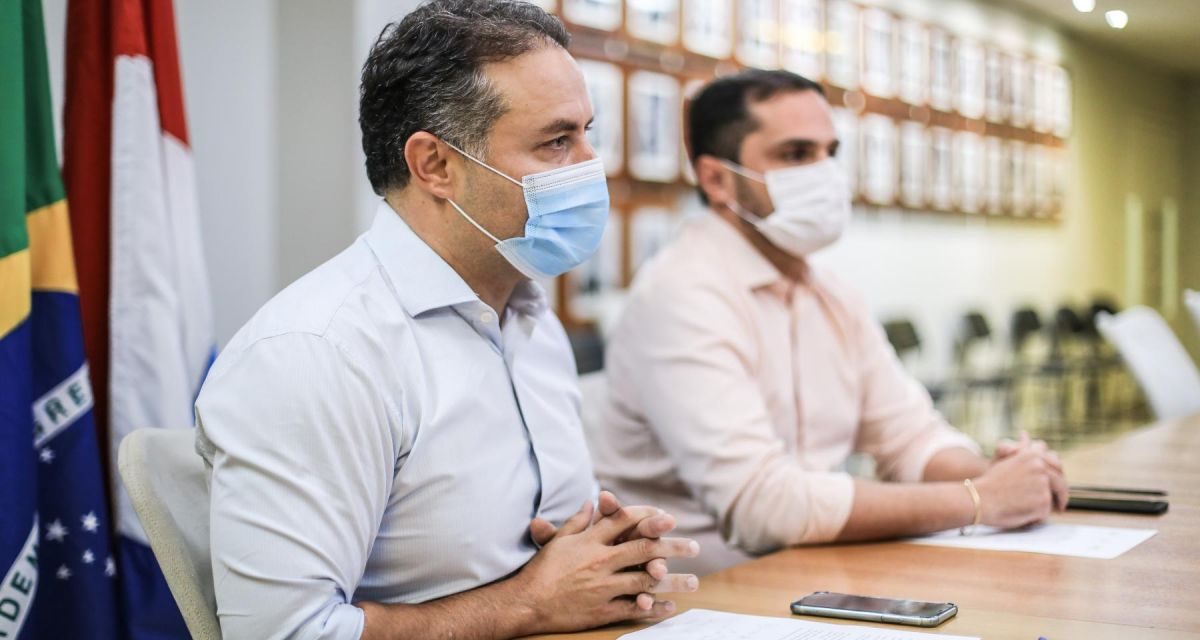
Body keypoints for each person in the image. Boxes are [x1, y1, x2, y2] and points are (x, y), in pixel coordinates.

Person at [193, 1, 699, 637]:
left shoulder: (527, 315)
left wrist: (608, 561)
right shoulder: (318, 352)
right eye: (557, 141)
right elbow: (283, 634)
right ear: (435, 165)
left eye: (587, 133)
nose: (591, 166)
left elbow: (537, 564)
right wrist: (527, 603)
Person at [593, 69, 1068, 575]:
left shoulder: (829, 293)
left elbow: (907, 435)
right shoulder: (681, 295)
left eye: (830, 153)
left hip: (811, 571)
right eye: (796, 155)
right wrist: (981, 500)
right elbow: (763, 507)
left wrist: (1003, 474)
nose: (824, 174)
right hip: (700, 594)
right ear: (717, 179)